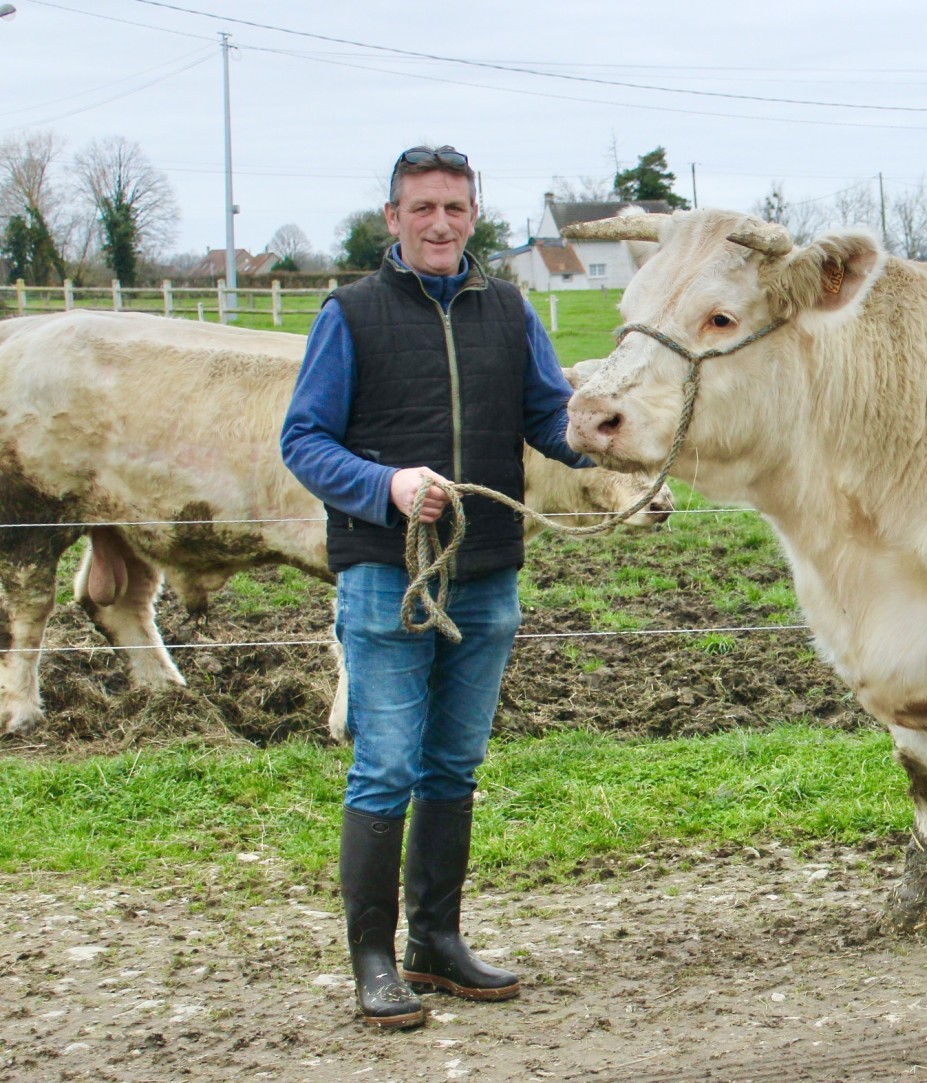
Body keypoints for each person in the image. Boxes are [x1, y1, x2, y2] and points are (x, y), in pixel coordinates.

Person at [281, 144, 591, 1027]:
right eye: (422, 208)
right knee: (385, 767)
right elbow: (303, 440)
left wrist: (613, 436)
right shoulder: (352, 314)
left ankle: (437, 943)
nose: (441, 223)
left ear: (473, 214)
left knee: (454, 764)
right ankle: (374, 961)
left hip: (488, 574)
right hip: (389, 575)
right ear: (393, 218)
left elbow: (548, 417)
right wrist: (386, 487)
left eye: (455, 207)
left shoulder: (510, 310)